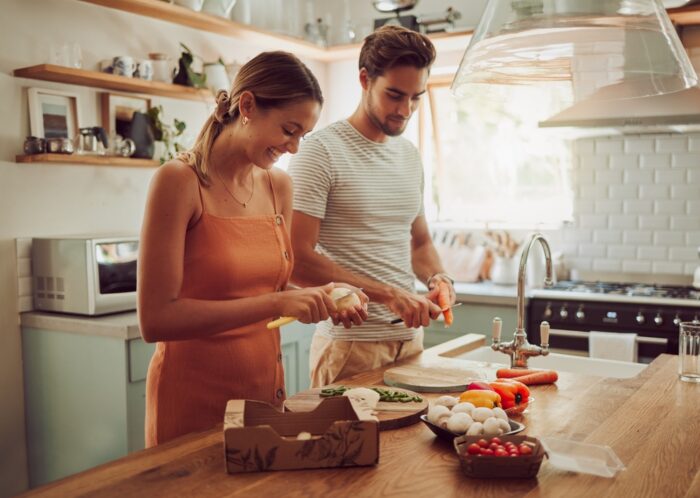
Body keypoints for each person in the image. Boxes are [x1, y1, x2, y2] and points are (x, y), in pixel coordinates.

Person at [138, 51, 367, 447]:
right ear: (247, 106)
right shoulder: (179, 181)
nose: (294, 148)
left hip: (263, 400)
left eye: (302, 136)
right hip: (192, 403)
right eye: (288, 130)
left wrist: (322, 297)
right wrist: (277, 305)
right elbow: (156, 319)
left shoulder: (277, 186)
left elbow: (271, 289)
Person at [288, 26, 456, 387]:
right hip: (350, 348)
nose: (405, 110)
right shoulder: (320, 152)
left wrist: (437, 277)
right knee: (342, 446)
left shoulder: (409, 156)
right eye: (394, 95)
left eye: (415, 97)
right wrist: (390, 295)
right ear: (365, 79)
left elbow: (420, 242)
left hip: (410, 343)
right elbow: (296, 260)